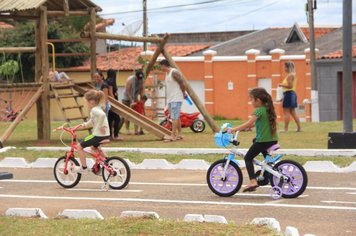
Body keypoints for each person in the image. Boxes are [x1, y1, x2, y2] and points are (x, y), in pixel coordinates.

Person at [229, 87, 278, 192]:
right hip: (272, 140)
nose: (251, 102)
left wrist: (233, 129)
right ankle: (267, 173)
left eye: (251, 99)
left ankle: (253, 181)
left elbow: (249, 123)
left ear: (258, 100)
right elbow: (257, 124)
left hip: (263, 141)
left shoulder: (259, 110)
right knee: (255, 141)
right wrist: (247, 128)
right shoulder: (267, 109)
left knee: (248, 158)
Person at [71, 89, 110, 173]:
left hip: (97, 135)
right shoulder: (98, 108)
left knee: (79, 147)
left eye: (86, 101)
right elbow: (91, 121)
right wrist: (82, 125)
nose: (86, 104)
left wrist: (100, 126)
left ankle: (84, 168)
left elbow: (103, 115)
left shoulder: (94, 110)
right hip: (105, 134)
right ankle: (108, 162)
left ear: (91, 101)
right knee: (93, 148)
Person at [159, 59, 186, 142]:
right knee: (176, 116)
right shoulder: (167, 74)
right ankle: (180, 134)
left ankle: (173, 135)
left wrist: (184, 93)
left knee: (174, 117)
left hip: (176, 97)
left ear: (164, 65)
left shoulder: (174, 72)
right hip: (171, 99)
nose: (160, 68)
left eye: (161, 66)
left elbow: (182, 83)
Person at [279, 61, 301, 132]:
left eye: (285, 67)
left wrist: (281, 84)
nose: (284, 68)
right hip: (291, 94)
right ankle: (299, 128)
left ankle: (286, 129)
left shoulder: (290, 75)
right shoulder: (293, 75)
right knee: (292, 112)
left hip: (289, 94)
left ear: (288, 67)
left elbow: (290, 86)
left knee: (286, 112)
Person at [121, 70, 145, 135]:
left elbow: (142, 89)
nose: (139, 80)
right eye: (138, 78)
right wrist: (131, 100)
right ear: (135, 76)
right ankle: (127, 130)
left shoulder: (141, 80)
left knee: (136, 114)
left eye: (140, 78)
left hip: (135, 98)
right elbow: (127, 91)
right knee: (127, 114)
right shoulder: (130, 80)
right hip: (126, 99)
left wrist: (142, 99)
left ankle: (136, 131)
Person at [106, 69, 123, 141]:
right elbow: (110, 93)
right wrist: (115, 102)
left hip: (109, 102)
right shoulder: (111, 81)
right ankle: (115, 135)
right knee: (117, 119)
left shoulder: (107, 80)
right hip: (112, 102)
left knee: (110, 119)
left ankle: (110, 135)